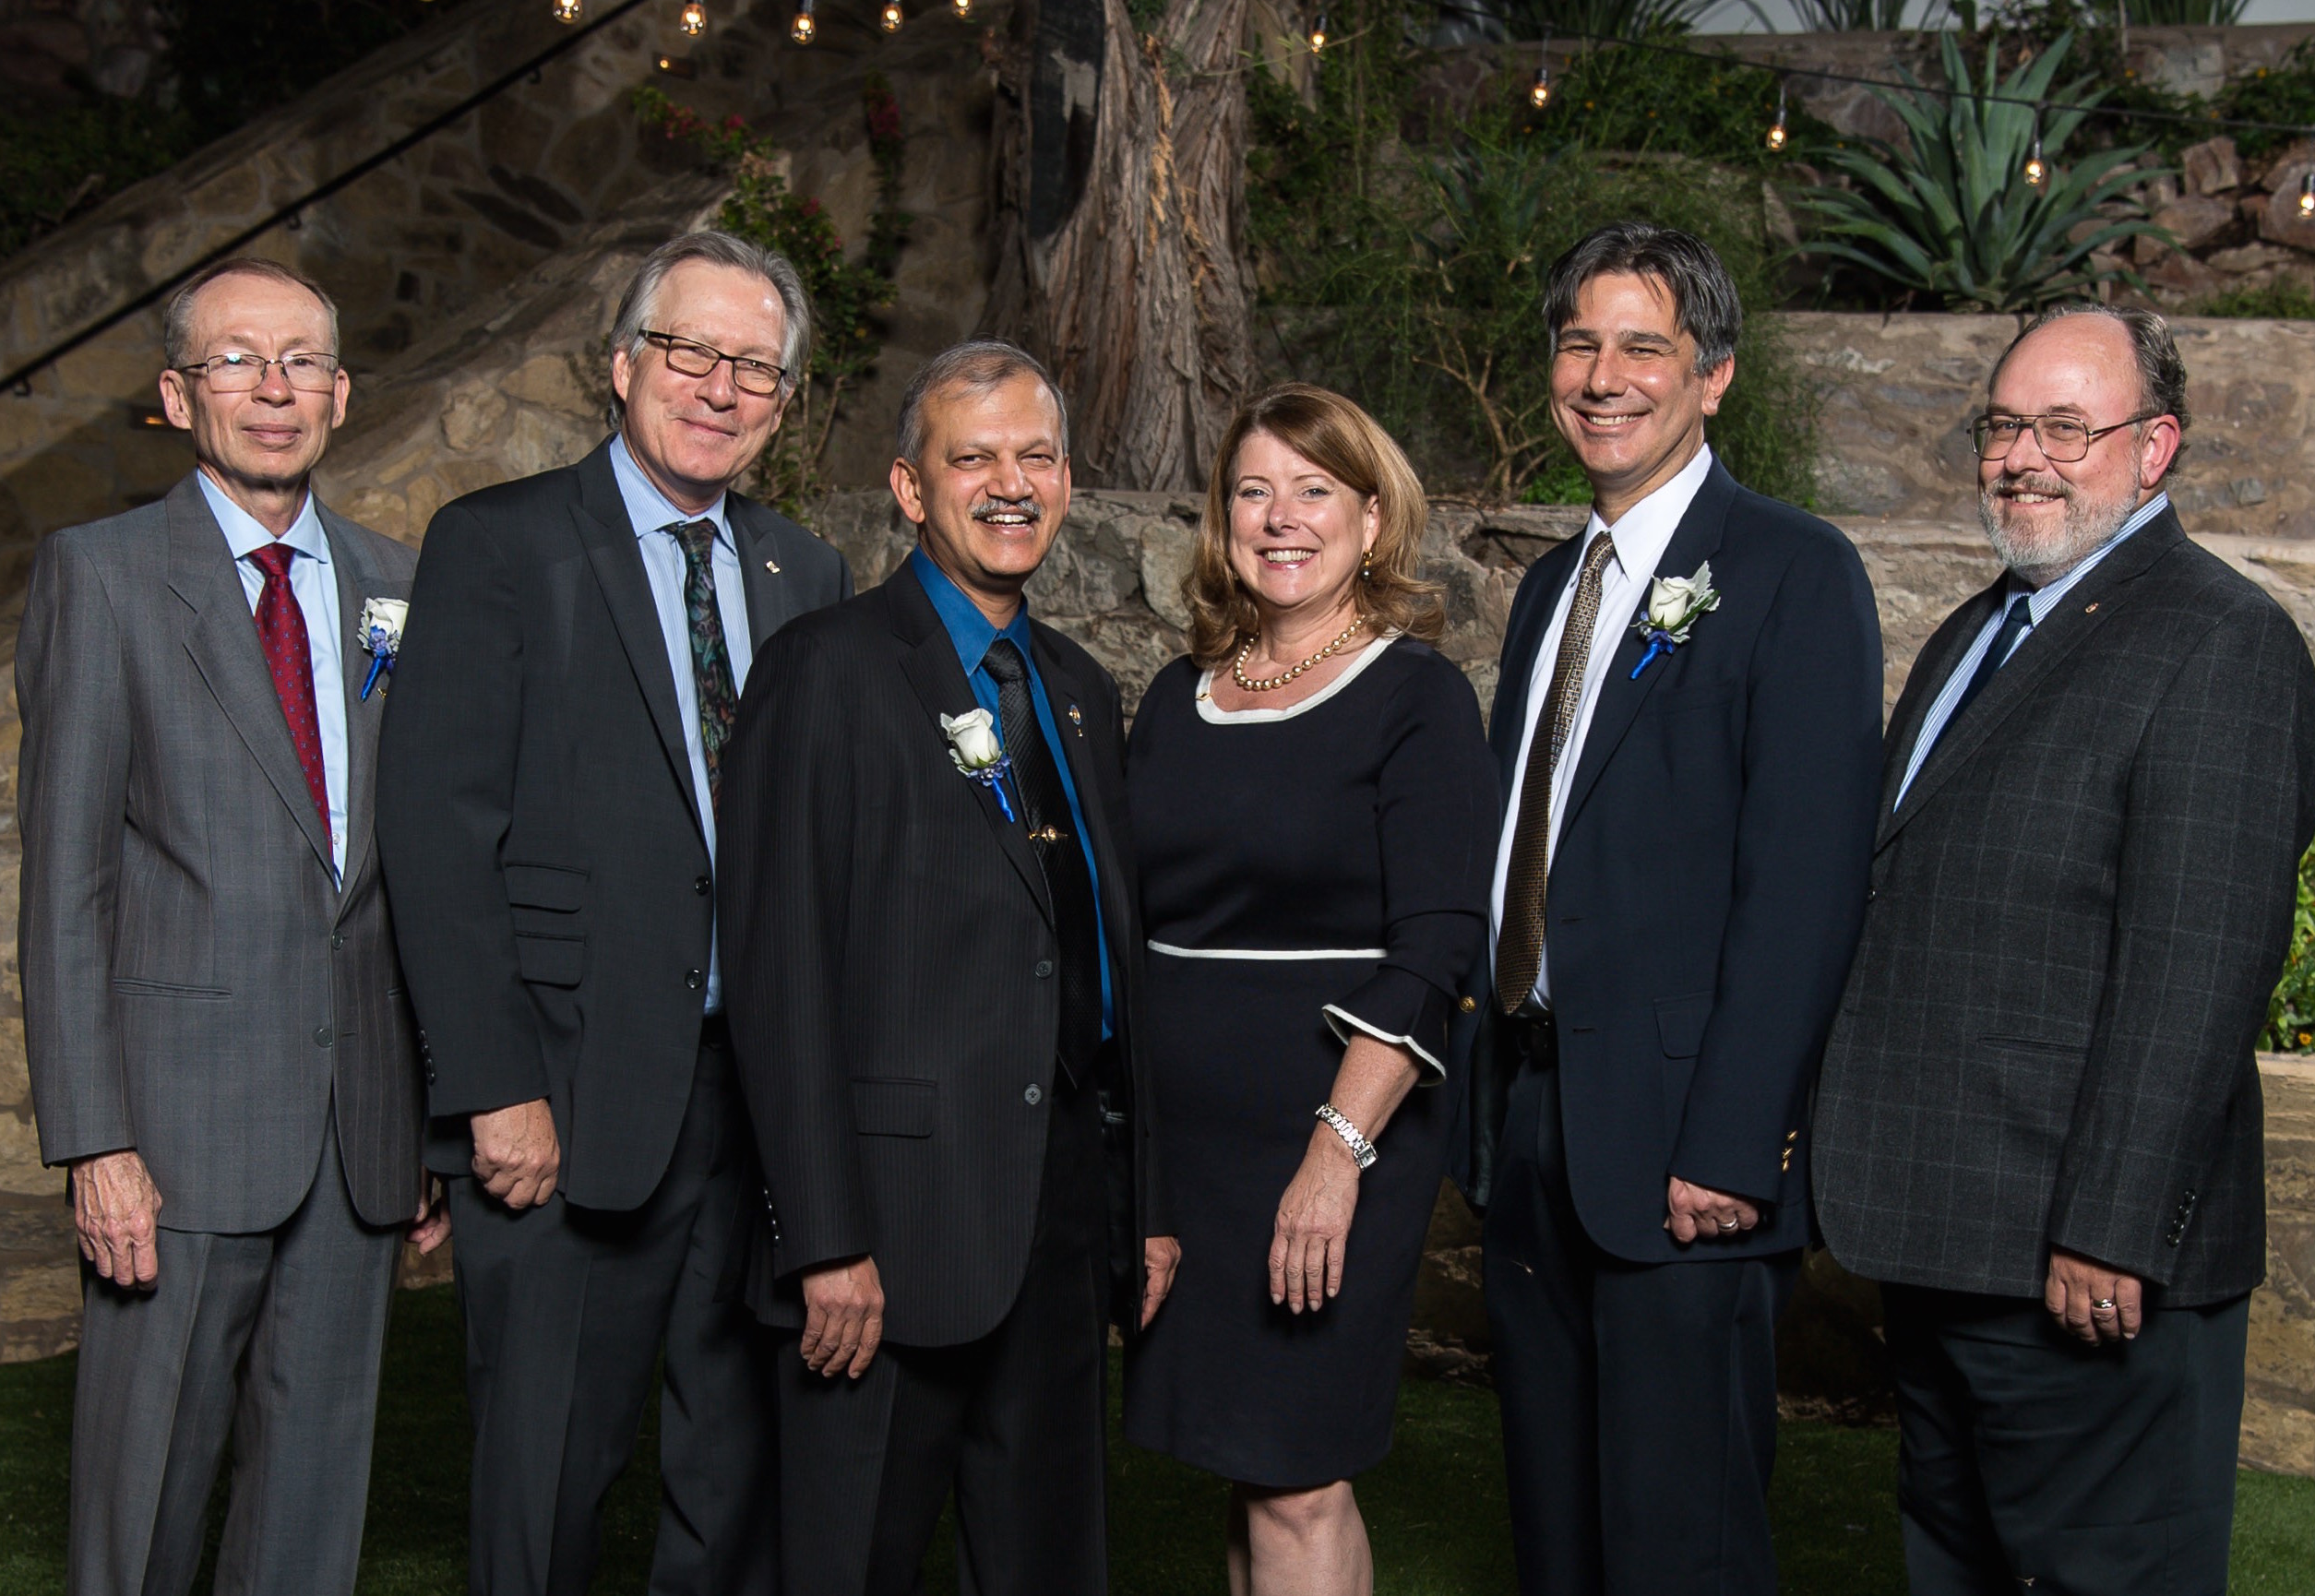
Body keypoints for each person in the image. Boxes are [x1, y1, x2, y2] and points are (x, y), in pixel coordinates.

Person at [1810, 303, 2315, 1596]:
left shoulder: (2221, 640)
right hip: (1951, 1239)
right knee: (1959, 1568)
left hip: (2080, 1265)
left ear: (2155, 447)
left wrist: (2112, 1228)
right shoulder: (1979, 630)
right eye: (2003, 425)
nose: (2022, 457)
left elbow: (2198, 967)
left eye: (2064, 428)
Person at [376, 231, 850, 1596]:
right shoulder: (500, 543)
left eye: (754, 366)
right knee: (545, 1480)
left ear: (782, 401)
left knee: (733, 1480)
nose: (720, 387)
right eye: (690, 350)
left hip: (756, 1110)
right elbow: (438, 836)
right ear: (624, 363)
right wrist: (492, 1088)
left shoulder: (805, 575)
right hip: (567, 1103)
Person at [1449, 222, 1883, 1595]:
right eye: (1579, 343)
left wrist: (1736, 1142)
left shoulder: (1794, 571)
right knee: (1559, 1538)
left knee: (1679, 1544)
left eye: (1644, 346)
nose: (1603, 375)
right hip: (1537, 1120)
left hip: (1690, 1152)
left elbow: (1807, 883)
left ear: (1714, 375)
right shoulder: (1547, 588)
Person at [716, 339, 1175, 1596]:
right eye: (973, 458)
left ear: (1067, 480)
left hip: (1058, 1227)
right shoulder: (826, 669)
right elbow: (777, 975)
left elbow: (1106, 961)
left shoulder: (1078, 688)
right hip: (886, 1230)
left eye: (1037, 456)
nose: (1010, 484)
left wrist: (1139, 1205)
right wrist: (823, 1238)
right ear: (911, 488)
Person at [15, 256, 444, 1596]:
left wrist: (424, 1115)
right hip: (175, 1139)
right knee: (146, 1495)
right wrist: (95, 1140)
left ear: (341, 392)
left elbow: (412, 871)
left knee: (311, 1508)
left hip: (358, 1131)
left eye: (302, 361)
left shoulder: (395, 580)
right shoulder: (102, 575)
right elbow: (67, 885)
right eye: (237, 361)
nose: (273, 388)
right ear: (176, 393)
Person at [1121, 384, 1498, 1594]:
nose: (1281, 517)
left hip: (1333, 1130)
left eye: (1314, 490)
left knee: (1297, 1474)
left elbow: (1437, 942)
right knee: (1249, 1467)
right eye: (1253, 491)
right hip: (1190, 1148)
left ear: (1372, 518)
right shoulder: (1177, 696)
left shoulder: (1416, 698)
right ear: (1223, 519)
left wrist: (1338, 1152)